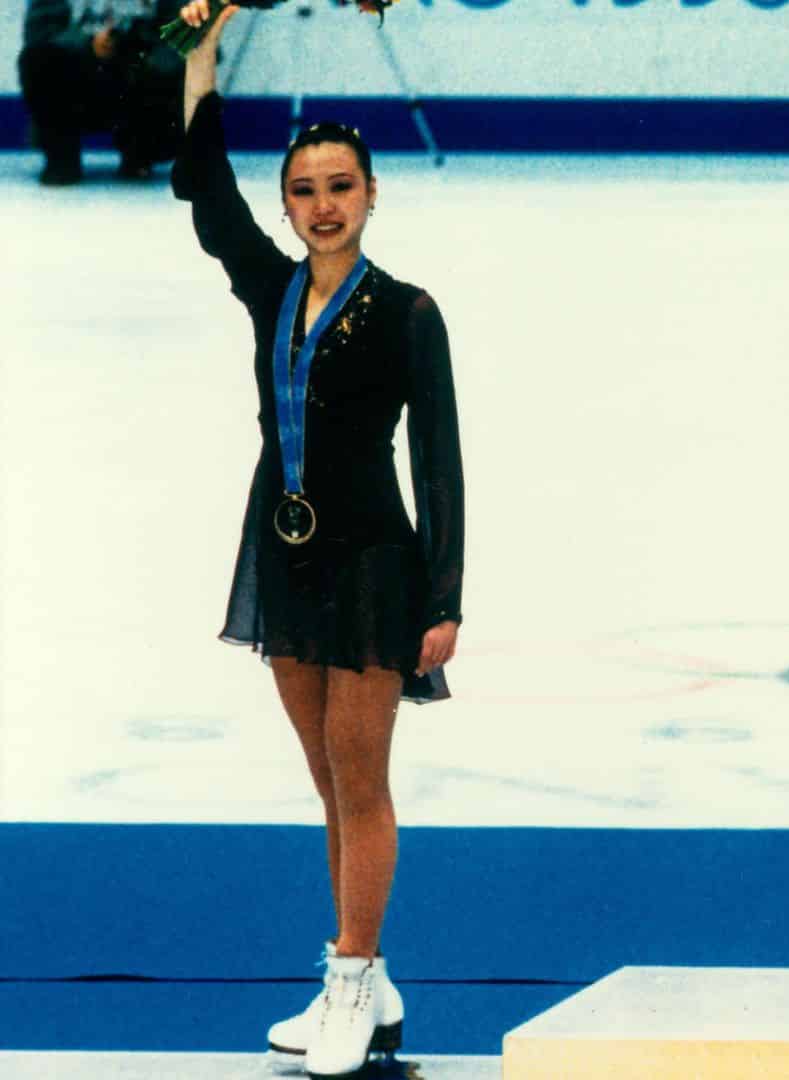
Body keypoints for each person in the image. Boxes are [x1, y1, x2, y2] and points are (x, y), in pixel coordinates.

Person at [172, 3, 464, 1076]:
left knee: (362, 775)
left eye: (341, 186)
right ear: (287, 203)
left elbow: (439, 464)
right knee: (328, 781)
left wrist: (445, 598)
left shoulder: (409, 312)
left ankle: (351, 975)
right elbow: (205, 192)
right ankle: (365, 982)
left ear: (373, 194)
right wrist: (202, 49)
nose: (323, 206)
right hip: (285, 550)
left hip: (375, 562)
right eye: (304, 190)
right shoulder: (272, 290)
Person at [18, 0, 183, 184]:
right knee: (38, 59)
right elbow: (39, 35)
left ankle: (142, 152)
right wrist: (87, 44)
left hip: (136, 70)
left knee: (179, 61)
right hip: (79, 73)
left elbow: (180, 33)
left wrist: (134, 48)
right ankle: (61, 157)